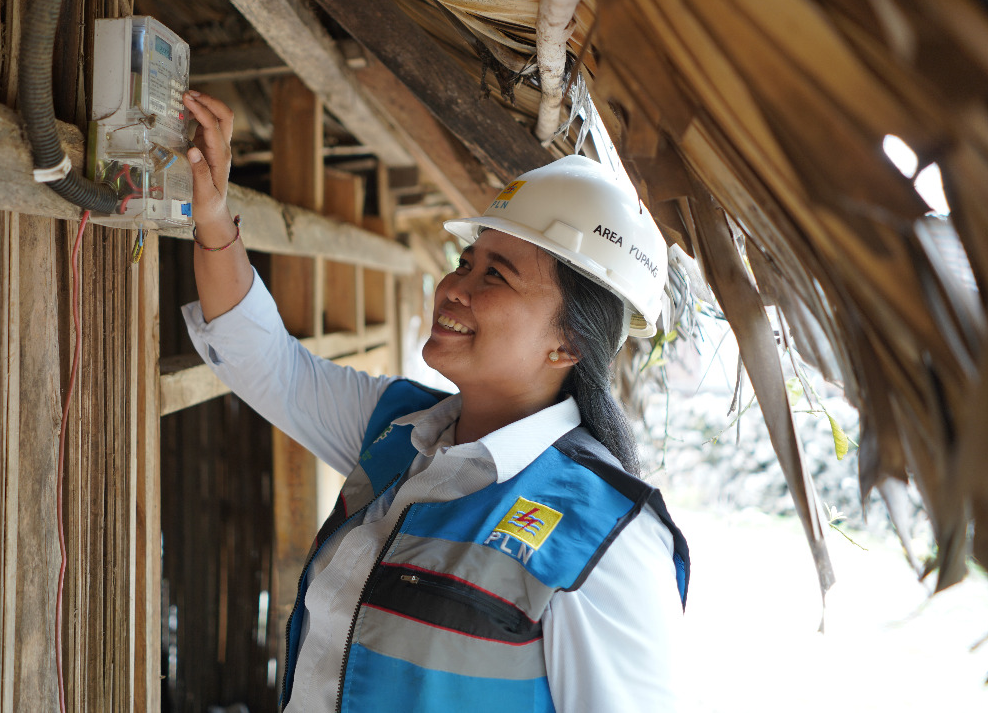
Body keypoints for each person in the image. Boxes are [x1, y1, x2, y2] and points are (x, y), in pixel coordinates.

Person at [179, 90, 689, 713]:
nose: (453, 287)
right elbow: (269, 366)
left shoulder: (607, 539)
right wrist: (211, 213)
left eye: (495, 276)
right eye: (465, 262)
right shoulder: (400, 432)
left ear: (569, 345)